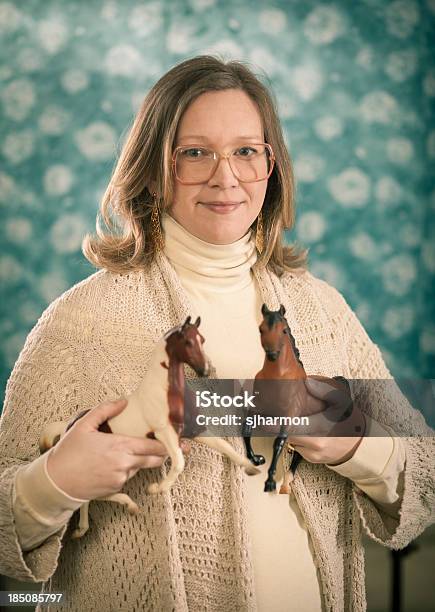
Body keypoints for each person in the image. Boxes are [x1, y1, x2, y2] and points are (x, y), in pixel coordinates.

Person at [0, 55, 433, 612]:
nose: (225, 177)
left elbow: (426, 473)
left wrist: (351, 441)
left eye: (246, 152)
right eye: (195, 152)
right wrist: (54, 482)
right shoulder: (82, 321)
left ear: (270, 166)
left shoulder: (324, 312)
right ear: (156, 169)